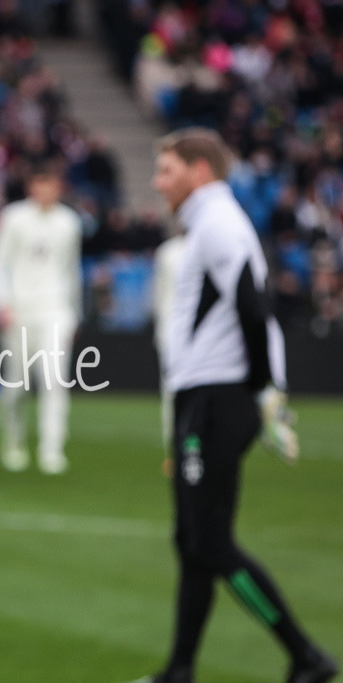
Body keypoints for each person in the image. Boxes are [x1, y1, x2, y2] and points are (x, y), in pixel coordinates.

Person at [143, 127, 336, 683]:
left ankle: (306, 657)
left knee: (210, 541)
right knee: (192, 540)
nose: (158, 184)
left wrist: (264, 395)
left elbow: (254, 309)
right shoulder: (208, 223)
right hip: (202, 397)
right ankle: (179, 670)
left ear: (200, 171)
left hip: (217, 398)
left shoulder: (220, 224)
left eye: (168, 171)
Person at [0, 163, 82, 475]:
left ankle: (52, 448)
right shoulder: (14, 218)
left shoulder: (69, 222)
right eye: (39, 184)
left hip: (55, 310)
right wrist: (2, 303)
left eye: (50, 184)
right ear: (31, 187)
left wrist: (73, 313)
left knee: (54, 379)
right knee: (16, 384)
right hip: (19, 310)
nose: (44, 191)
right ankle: (12, 440)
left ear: (58, 187)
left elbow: (71, 270)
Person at [152, 226, 186, 471]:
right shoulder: (167, 253)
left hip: (205, 336)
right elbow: (160, 295)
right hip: (172, 332)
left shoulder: (211, 246)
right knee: (171, 393)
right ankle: (174, 451)